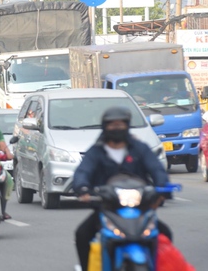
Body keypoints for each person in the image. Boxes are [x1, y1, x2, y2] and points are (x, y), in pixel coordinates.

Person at [72, 107, 172, 271]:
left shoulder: (140, 148)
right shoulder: (96, 151)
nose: (116, 128)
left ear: (127, 126)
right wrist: (83, 188)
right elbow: (83, 171)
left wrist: (163, 188)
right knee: (82, 235)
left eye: (120, 124)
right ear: (105, 127)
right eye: (112, 125)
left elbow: (157, 169)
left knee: (165, 233)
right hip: (108, 208)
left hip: (140, 209)